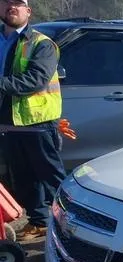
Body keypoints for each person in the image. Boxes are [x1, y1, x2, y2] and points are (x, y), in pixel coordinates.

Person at [0, 0, 64, 240]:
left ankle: (80, 223)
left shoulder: (41, 44)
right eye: (6, 1)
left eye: (18, 3)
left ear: (28, 11)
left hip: (37, 124)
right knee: (24, 177)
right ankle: (39, 222)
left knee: (52, 177)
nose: (11, 6)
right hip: (8, 123)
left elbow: (35, 80)